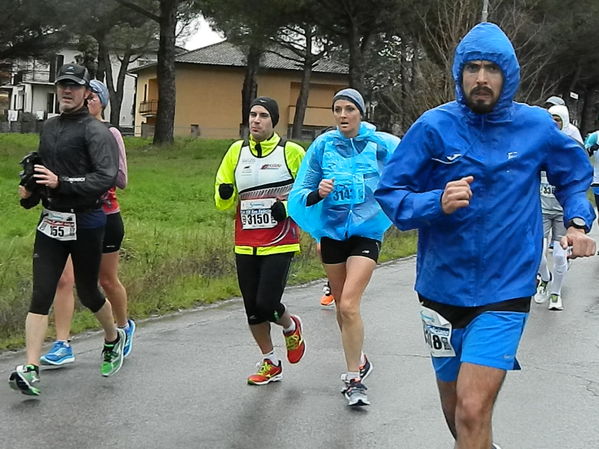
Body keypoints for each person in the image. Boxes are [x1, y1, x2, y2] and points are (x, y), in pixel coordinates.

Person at [375, 23, 595, 448]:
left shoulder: (535, 126)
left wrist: (577, 222)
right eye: (472, 67)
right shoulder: (433, 127)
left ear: (507, 75)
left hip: (505, 289)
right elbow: (391, 193)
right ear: (459, 73)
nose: (480, 78)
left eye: (491, 69)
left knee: (473, 409)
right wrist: (434, 202)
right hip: (439, 290)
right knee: (457, 413)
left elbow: (573, 178)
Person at [10, 64, 126, 396]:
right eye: (62, 85)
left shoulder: (96, 131)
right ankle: (30, 368)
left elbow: (105, 177)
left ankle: (113, 337)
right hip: (51, 221)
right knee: (41, 293)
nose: (66, 91)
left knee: (89, 292)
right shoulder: (50, 127)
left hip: (88, 221)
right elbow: (44, 169)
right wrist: (31, 190)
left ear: (86, 92)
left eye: (73, 86)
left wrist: (63, 183)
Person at [288, 88, 400, 407]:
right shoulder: (323, 145)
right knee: (341, 306)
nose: (342, 115)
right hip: (333, 234)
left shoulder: (381, 144)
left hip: (367, 233)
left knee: (349, 304)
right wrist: (318, 193)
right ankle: (359, 358)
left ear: (361, 112)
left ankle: (353, 379)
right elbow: (301, 191)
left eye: (349, 109)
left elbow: (412, 168)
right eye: (337, 109)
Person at [40, 80, 135, 366]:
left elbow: (120, 179)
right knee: (63, 280)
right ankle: (62, 343)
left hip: (103, 216)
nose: (88, 101)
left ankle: (123, 327)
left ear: (101, 102)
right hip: (69, 216)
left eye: (93, 97)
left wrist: (93, 170)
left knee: (104, 280)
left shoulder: (110, 132)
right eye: (87, 96)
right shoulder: (61, 131)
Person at [214, 96, 306, 385]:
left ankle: (290, 326)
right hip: (245, 241)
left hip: (280, 241)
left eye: (263, 115)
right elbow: (221, 200)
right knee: (252, 308)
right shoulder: (235, 152)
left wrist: (287, 207)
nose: (256, 120)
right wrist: (226, 193)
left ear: (273, 121)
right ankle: (270, 360)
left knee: (267, 303)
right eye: (253, 115)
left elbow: (308, 192)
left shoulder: (291, 152)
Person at [534, 105, 583, 310]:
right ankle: (545, 279)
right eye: (550, 118)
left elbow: (579, 180)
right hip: (542, 209)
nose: (554, 123)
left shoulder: (571, 146)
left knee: (559, 255)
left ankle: (555, 294)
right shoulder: (537, 144)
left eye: (558, 119)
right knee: (536, 253)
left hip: (562, 211)